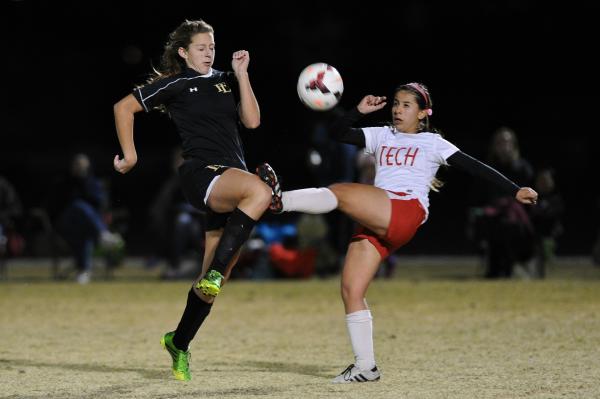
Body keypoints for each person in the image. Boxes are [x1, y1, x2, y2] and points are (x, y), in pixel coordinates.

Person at [261, 83, 538, 383]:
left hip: (406, 209)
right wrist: (357, 111)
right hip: (381, 215)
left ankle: (280, 201)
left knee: (340, 192)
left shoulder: (433, 142)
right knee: (351, 290)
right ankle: (366, 367)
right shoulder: (382, 134)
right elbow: (337, 134)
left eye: (407, 105)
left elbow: (476, 166)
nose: (397, 109)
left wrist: (514, 190)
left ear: (423, 113)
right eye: (396, 103)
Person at [112, 19, 281, 381]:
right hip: (201, 173)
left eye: (212, 47)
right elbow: (122, 108)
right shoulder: (175, 83)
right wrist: (130, 156)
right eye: (201, 47)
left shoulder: (224, 79)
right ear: (184, 51)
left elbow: (251, 122)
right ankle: (216, 273)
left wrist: (242, 74)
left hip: (229, 180)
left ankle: (179, 341)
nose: (208, 53)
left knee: (210, 285)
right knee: (260, 192)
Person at [469, 127, 536, 278]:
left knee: (508, 222)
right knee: (494, 222)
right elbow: (478, 197)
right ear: (494, 146)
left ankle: (505, 267)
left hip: (517, 218)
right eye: (500, 142)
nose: (504, 146)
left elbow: (532, 198)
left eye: (507, 142)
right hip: (492, 216)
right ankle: (497, 268)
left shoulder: (523, 168)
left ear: (513, 145)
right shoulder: (487, 169)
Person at [48, 153, 123, 284]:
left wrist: (84, 181)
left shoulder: (92, 183)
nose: (79, 168)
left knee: (83, 229)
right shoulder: (64, 183)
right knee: (78, 206)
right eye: (77, 165)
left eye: (82, 165)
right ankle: (102, 235)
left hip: (84, 226)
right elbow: (55, 205)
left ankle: (83, 271)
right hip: (65, 224)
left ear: (88, 167)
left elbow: (100, 205)